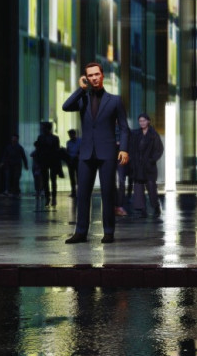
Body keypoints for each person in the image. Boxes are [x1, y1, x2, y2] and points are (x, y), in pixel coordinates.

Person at [62, 62, 129, 244]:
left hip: (107, 152)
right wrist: (80, 89)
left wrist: (123, 148)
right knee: (82, 194)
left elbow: (124, 128)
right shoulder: (82, 99)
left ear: (102, 76)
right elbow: (65, 106)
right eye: (90, 75)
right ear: (86, 78)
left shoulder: (114, 100)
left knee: (108, 193)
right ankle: (81, 232)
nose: (94, 78)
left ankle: (108, 232)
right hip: (85, 154)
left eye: (97, 74)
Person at [130, 115, 164, 217]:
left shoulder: (153, 134)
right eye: (140, 121)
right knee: (139, 188)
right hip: (138, 166)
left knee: (151, 188)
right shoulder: (136, 134)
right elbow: (132, 148)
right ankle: (142, 210)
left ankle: (156, 206)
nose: (142, 123)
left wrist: (151, 160)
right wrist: (133, 162)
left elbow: (159, 150)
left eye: (143, 121)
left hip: (149, 166)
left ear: (148, 121)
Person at [33, 121, 64, 206]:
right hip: (44, 161)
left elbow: (57, 151)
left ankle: (53, 198)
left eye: (43, 127)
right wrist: (38, 162)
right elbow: (38, 150)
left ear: (47, 128)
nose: (42, 129)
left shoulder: (54, 138)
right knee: (46, 181)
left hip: (52, 161)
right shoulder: (41, 137)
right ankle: (48, 197)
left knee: (53, 180)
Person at [63, 129, 80, 197]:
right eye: (69, 135)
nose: (70, 136)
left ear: (74, 134)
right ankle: (73, 192)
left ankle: (79, 191)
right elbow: (68, 151)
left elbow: (81, 150)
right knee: (72, 177)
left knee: (78, 177)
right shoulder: (68, 142)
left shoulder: (80, 141)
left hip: (77, 160)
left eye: (71, 135)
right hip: (71, 160)